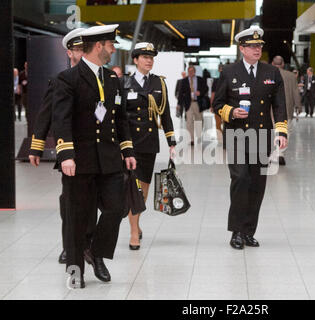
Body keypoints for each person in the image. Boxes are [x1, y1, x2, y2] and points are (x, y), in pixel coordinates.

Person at [52, 24, 136, 288]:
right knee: (77, 215)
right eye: (110, 45)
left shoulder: (112, 79)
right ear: (98, 46)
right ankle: (76, 269)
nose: (113, 50)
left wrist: (127, 149)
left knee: (116, 208)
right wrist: (66, 154)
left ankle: (96, 252)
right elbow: (61, 119)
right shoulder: (68, 79)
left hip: (110, 159)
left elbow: (120, 118)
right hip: (79, 160)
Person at [213, 26, 287, 250]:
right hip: (237, 134)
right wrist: (231, 112)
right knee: (241, 180)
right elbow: (217, 104)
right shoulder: (229, 71)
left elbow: (280, 104)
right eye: (253, 46)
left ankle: (248, 231)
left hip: (262, 135)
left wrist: (281, 131)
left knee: (257, 184)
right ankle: (236, 230)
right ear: (242, 48)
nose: (257, 49)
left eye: (259, 46)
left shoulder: (271, 73)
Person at [28, 28, 94, 265]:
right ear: (69, 52)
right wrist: (36, 146)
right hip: (69, 151)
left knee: (91, 202)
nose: (80, 54)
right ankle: (70, 247)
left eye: (84, 49)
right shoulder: (60, 80)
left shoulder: (97, 80)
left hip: (93, 151)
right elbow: (45, 114)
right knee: (70, 202)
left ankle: (87, 244)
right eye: (77, 49)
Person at [121, 42, 176, 250]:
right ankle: (134, 232)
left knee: (143, 189)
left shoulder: (158, 83)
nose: (148, 60)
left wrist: (171, 141)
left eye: (151, 57)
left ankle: (136, 222)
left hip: (148, 144)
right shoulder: (124, 83)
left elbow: (166, 114)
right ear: (135, 60)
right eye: (144, 57)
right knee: (132, 188)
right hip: (129, 143)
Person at [271, 55, 300, 165]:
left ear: (273, 64)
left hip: (270, 110)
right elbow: (295, 92)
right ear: (283, 64)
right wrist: (298, 106)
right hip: (286, 109)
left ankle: (272, 153)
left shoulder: (268, 74)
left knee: (272, 131)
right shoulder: (291, 76)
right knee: (285, 131)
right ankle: (280, 153)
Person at [177, 65, 208, 145]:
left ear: (194, 71)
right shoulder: (184, 81)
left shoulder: (200, 79)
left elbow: (206, 88)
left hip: (198, 103)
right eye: (189, 71)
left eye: (192, 71)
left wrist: (200, 92)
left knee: (199, 120)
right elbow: (180, 93)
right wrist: (179, 104)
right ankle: (191, 139)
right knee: (189, 122)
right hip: (188, 104)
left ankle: (199, 136)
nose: (190, 73)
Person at [210, 64, 224, 143]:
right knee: (218, 123)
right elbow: (213, 93)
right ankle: (220, 139)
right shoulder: (216, 81)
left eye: (223, 69)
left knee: (227, 123)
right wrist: (211, 105)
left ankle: (225, 138)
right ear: (218, 70)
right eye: (220, 69)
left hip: (227, 105)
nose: (222, 70)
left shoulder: (229, 79)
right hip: (217, 105)